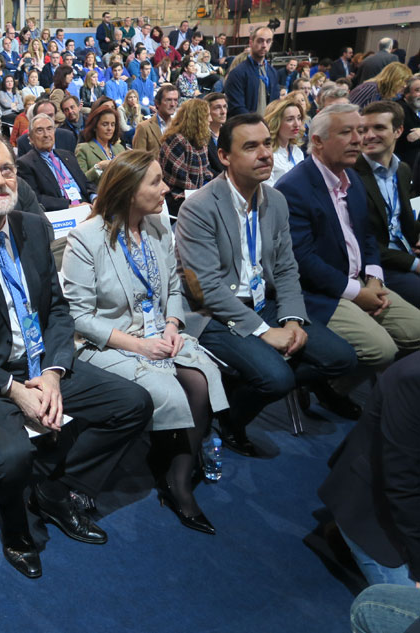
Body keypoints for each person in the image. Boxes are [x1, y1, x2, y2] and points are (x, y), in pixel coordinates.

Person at [0, 128, 152, 578]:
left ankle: (57, 489)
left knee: (133, 405)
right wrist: (13, 389)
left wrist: (55, 373)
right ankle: (16, 529)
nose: (1, 181)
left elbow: (58, 311)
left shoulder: (35, 227)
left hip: (43, 363)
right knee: (11, 457)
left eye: (7, 169)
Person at [61, 149, 228, 534]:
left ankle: (177, 480)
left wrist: (171, 323)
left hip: (159, 332)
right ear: (128, 190)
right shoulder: (86, 238)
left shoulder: (156, 227)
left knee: (202, 377)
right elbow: (80, 318)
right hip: (108, 342)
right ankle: (172, 472)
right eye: (155, 181)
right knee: (169, 386)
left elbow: (173, 287)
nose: (165, 187)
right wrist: (140, 346)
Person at [175, 113, 357, 456]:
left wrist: (291, 319)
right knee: (276, 379)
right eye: (250, 147)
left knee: (342, 358)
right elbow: (208, 289)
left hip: (266, 302)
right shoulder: (199, 207)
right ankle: (229, 419)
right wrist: (262, 331)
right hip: (215, 315)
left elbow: (287, 268)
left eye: (266, 144)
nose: (264, 154)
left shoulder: (275, 201)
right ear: (225, 156)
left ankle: (245, 380)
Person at [276, 103, 420, 375]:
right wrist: (358, 294)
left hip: (361, 279)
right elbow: (304, 262)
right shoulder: (293, 188)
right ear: (317, 141)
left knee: (416, 331)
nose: (359, 139)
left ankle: (381, 395)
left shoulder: (350, 176)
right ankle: (331, 385)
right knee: (382, 350)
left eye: (360, 130)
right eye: (347, 132)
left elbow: (367, 235)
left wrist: (375, 277)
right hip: (321, 292)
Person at [319, 353, 420, 587]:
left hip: (405, 501)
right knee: (412, 617)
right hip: (380, 509)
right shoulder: (414, 379)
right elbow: (403, 484)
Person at [353, 101, 420, 309]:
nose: (369, 135)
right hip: (378, 265)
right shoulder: (350, 175)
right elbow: (361, 241)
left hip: (407, 252)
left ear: (398, 131)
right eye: (363, 130)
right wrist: (415, 264)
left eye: (379, 128)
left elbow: (406, 220)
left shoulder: (403, 170)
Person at [17, 112, 94, 211]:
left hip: (86, 204)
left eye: (49, 129)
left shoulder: (68, 155)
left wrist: (95, 198)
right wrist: (70, 206)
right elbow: (36, 198)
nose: (46, 135)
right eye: (40, 130)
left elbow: (86, 183)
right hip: (62, 211)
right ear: (31, 137)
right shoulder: (25, 163)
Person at [158, 98, 214, 217]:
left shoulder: (201, 141)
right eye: (207, 116)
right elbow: (179, 177)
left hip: (196, 195)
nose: (211, 119)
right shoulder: (176, 140)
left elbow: (206, 171)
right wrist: (201, 194)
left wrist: (207, 187)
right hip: (178, 198)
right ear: (197, 119)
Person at [224, 27, 279, 116]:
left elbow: (276, 103)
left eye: (268, 41)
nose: (264, 45)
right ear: (251, 42)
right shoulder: (237, 73)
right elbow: (237, 107)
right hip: (246, 126)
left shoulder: (272, 72)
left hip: (268, 126)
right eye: (260, 41)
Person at [76, 103, 124, 186]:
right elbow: (82, 181)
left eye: (112, 124)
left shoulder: (119, 148)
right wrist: (99, 167)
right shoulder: (83, 149)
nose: (109, 128)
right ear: (95, 127)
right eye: (105, 124)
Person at [263, 98, 304, 187]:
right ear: (275, 122)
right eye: (290, 119)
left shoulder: (297, 152)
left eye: (299, 118)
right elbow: (268, 192)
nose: (297, 124)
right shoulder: (266, 155)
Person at [133, 84, 178, 156]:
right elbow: (139, 160)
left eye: (175, 100)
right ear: (157, 103)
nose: (173, 104)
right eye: (168, 100)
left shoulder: (179, 126)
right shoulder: (144, 127)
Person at [394, 75, 420, 173]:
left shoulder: (416, 109)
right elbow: (410, 139)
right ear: (406, 93)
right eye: (417, 90)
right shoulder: (399, 109)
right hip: (405, 169)